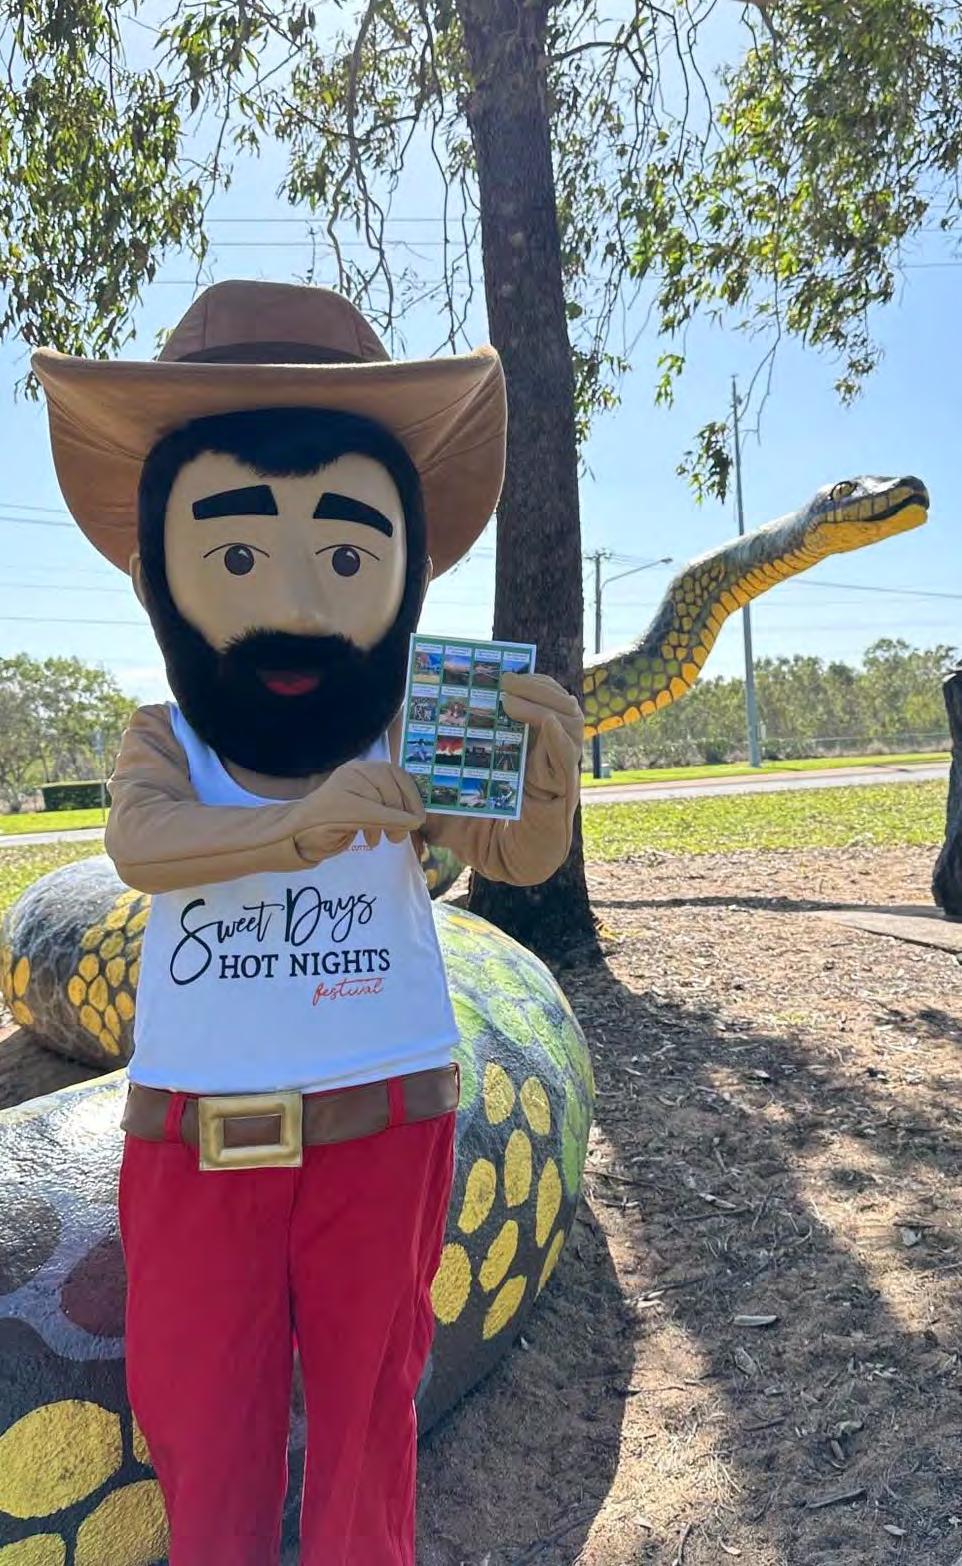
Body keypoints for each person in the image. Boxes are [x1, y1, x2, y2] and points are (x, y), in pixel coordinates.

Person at [32, 279, 584, 1566]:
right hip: (196, 1142)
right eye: (234, 555)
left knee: (367, 1410)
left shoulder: (414, 731)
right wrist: (306, 824)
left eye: (343, 556)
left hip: (385, 1123)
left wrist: (548, 781)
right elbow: (141, 846)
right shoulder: (162, 741)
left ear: (408, 571)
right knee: (200, 1417)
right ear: (153, 575)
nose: (290, 600)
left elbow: (514, 854)